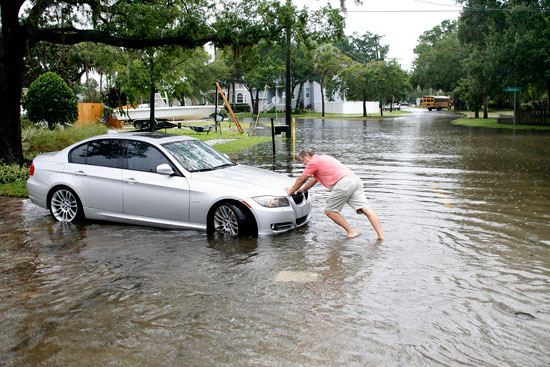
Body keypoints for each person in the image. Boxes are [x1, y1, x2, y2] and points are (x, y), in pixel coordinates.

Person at [285, 147, 385, 240]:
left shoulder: (313, 162)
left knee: (330, 211)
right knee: (367, 209)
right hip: (354, 179)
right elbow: (314, 179)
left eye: (303, 161)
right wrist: (302, 190)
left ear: (307, 155)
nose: (303, 164)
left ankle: (351, 232)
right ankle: (381, 236)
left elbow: (302, 179)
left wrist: (291, 190)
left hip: (343, 183)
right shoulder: (325, 158)